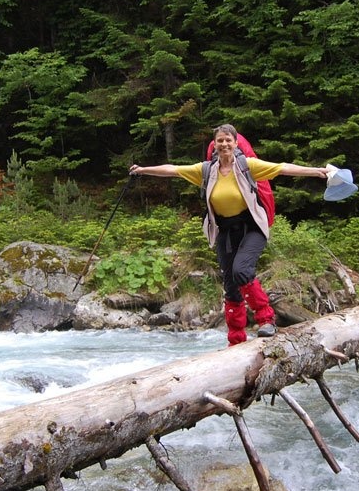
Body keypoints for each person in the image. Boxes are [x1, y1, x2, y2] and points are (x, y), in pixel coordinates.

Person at [129, 124, 329, 346]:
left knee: (242, 271)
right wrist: (143, 170)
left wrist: (317, 171)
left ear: (235, 143)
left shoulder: (248, 166)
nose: (224, 144)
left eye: (228, 140)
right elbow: (173, 169)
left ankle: (266, 319)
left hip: (252, 227)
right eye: (220, 141)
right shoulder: (206, 170)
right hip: (225, 231)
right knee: (231, 286)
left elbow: (283, 168)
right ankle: (236, 340)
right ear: (214, 145)